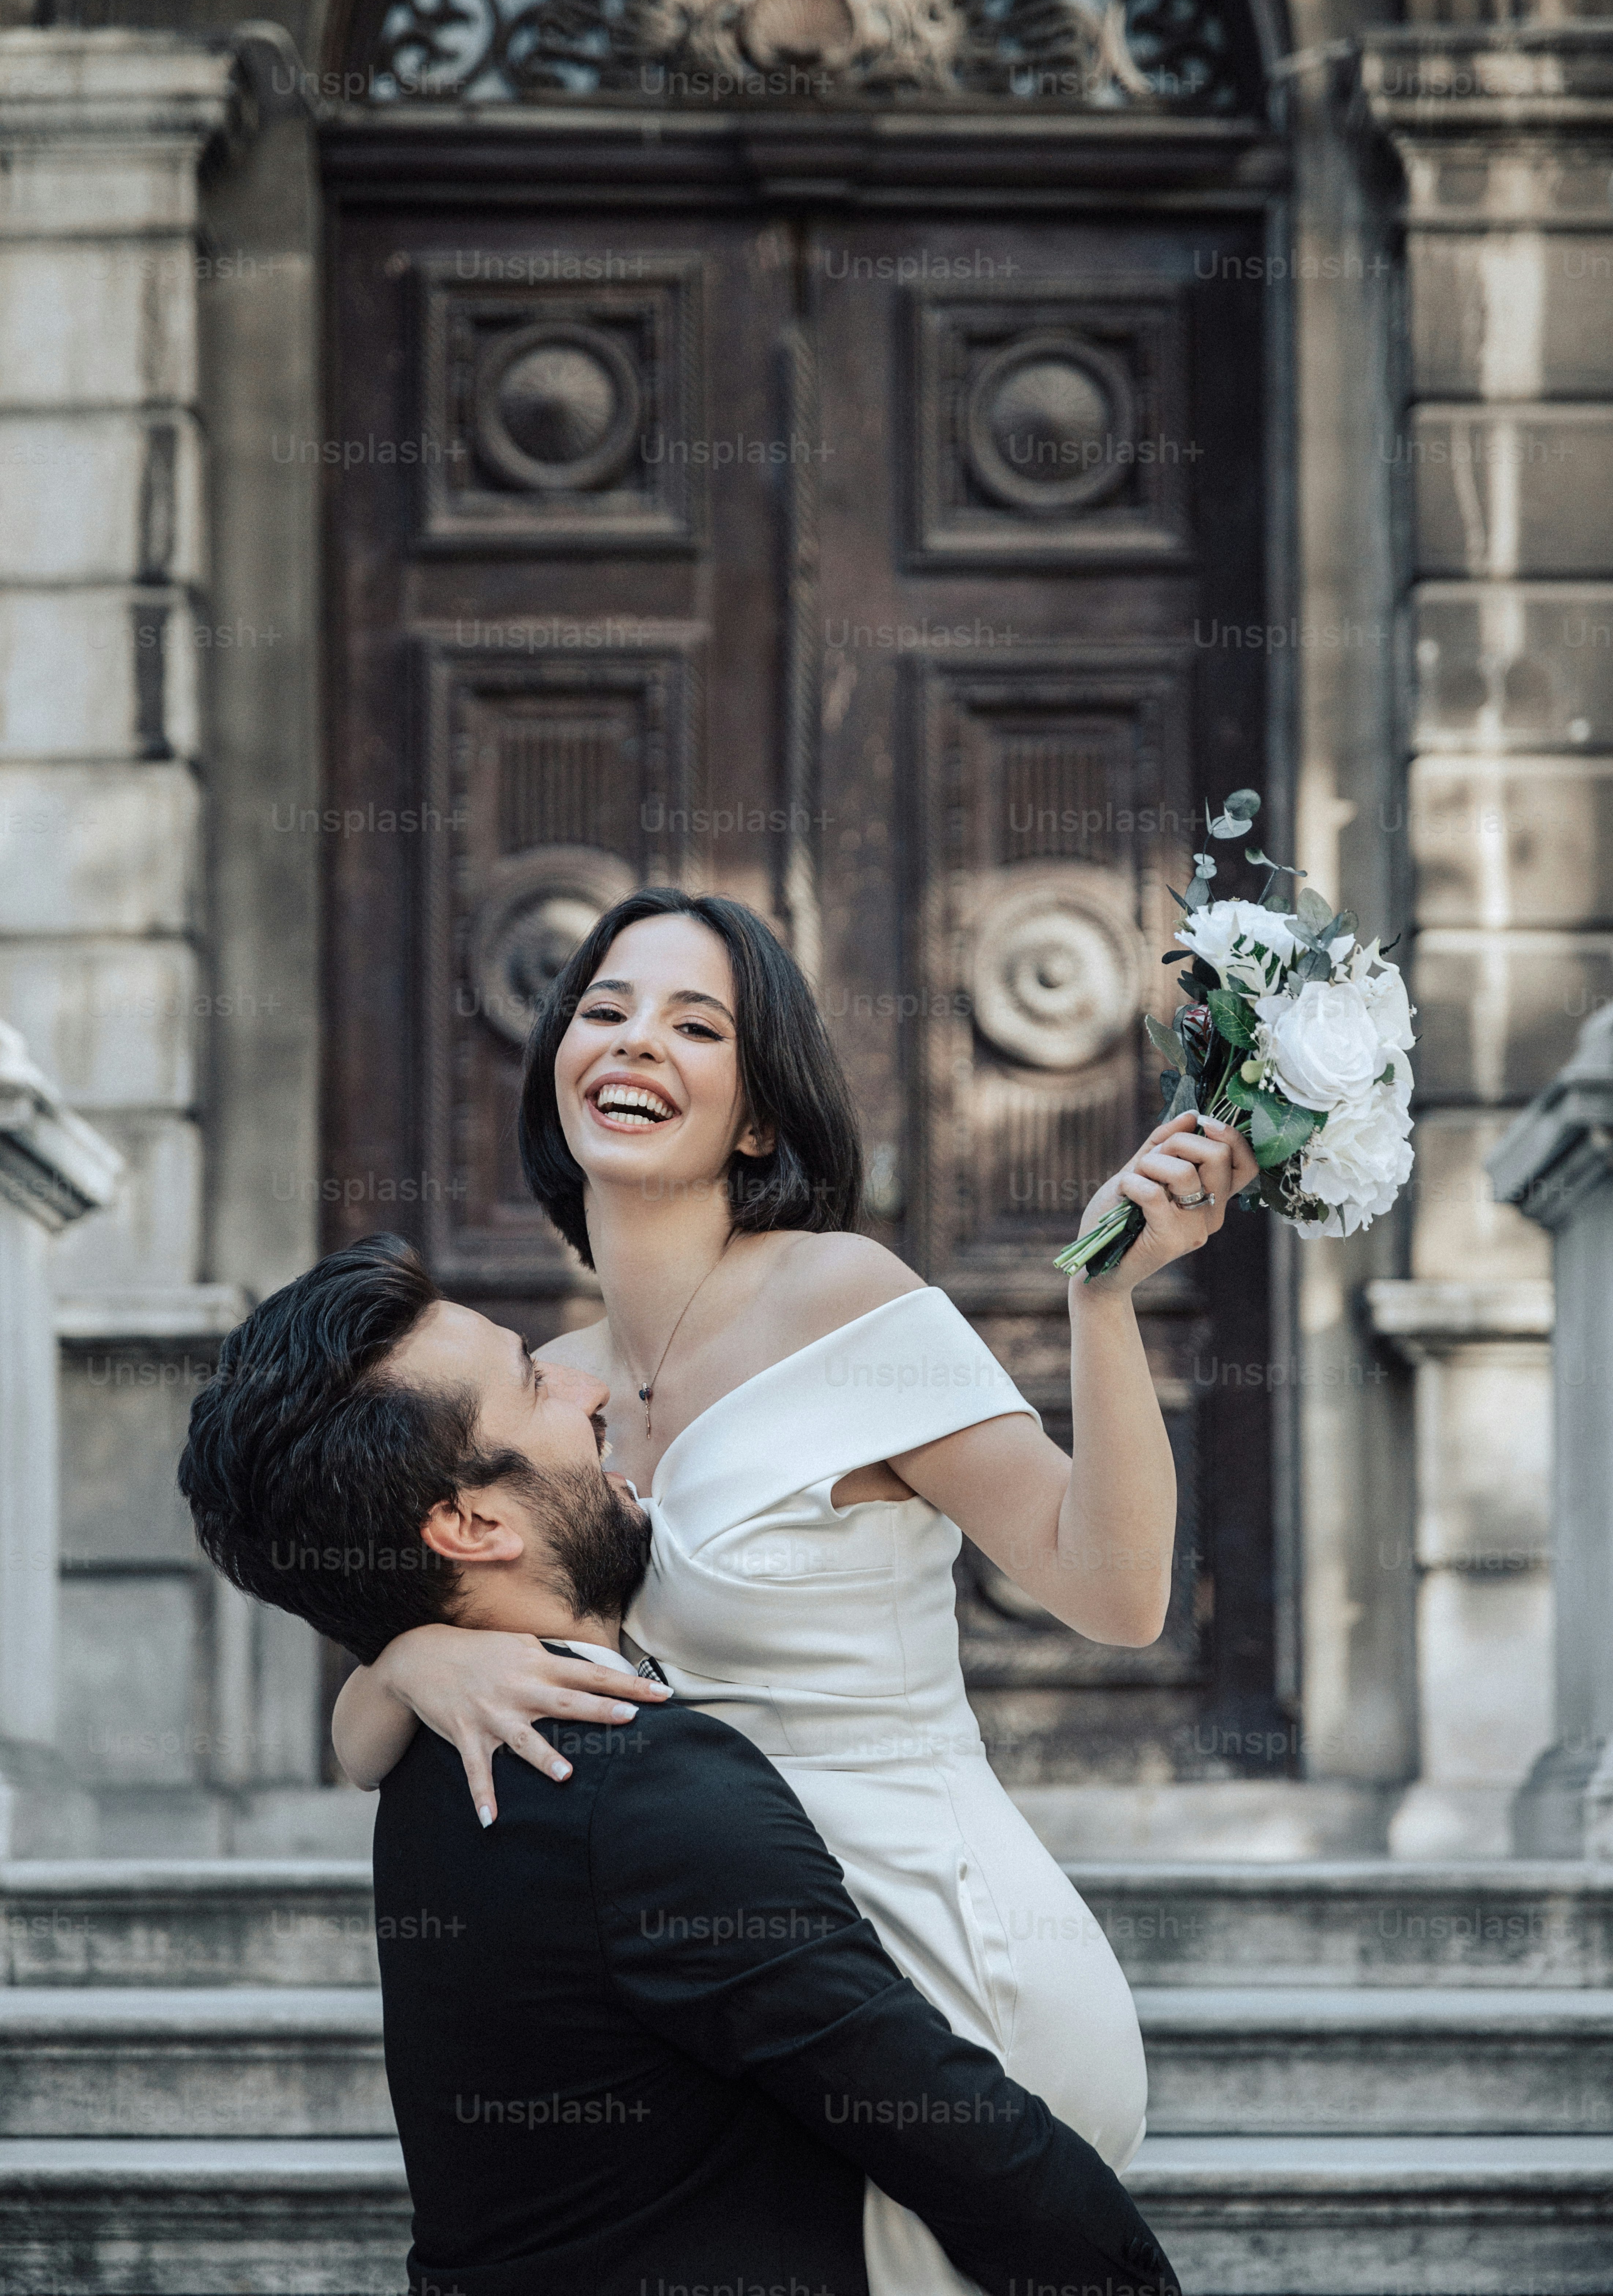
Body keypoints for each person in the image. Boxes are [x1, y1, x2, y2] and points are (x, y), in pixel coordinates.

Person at [331, 888, 1258, 2293]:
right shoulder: (551, 1382)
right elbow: (357, 1748)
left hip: (941, 1973)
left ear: (758, 1117)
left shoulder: (845, 1297)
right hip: (732, 2003)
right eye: (605, 1009)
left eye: (696, 1025)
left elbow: (1116, 1593)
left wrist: (1106, 1302)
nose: (635, 1042)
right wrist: (411, 1662)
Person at [178, 1235, 1182, 2296]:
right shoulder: (649, 1793)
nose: (584, 1383)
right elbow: (972, 2154)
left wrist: (404, 1660)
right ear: (472, 1524)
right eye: (534, 1383)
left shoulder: (429, 1759)